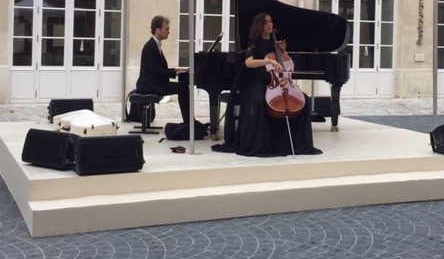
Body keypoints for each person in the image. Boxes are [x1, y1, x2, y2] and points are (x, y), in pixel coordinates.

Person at [212, 12, 322, 157]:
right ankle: (262, 143)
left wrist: (283, 52)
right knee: (260, 101)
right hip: (256, 80)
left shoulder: (275, 44)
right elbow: (248, 62)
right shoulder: (254, 42)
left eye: (271, 21)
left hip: (274, 81)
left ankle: (292, 143)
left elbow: (284, 66)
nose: (270, 24)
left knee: (305, 100)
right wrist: (268, 61)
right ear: (260, 25)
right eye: (266, 22)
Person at [135, 15, 192, 124]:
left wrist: (175, 70)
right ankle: (189, 122)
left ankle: (189, 122)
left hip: (155, 83)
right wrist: (174, 73)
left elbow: (159, 68)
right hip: (150, 86)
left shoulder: (155, 45)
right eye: (166, 29)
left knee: (184, 87)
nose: (169, 32)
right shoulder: (150, 47)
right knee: (183, 89)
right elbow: (156, 71)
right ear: (158, 30)